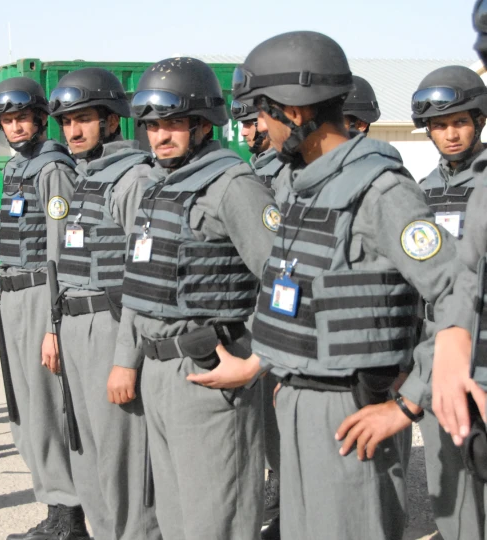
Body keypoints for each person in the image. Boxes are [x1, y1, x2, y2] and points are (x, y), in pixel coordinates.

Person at [198, 31, 462, 540]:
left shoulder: (380, 192)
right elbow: (292, 293)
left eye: (263, 115)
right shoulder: (308, 187)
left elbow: (460, 294)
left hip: (351, 407)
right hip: (299, 401)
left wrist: (409, 403)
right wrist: (270, 364)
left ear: (296, 113)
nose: (258, 129)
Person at [114, 57, 277, 539]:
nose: (160, 137)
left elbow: (289, 283)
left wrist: (258, 362)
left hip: (213, 370)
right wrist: (127, 358)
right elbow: (139, 283)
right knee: (178, 520)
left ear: (204, 125)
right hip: (159, 371)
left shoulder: (233, 186)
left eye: (174, 125)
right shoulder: (157, 187)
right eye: (153, 126)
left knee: (216, 521)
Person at [45, 67, 161, 540]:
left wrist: (126, 360)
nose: (72, 130)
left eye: (84, 119)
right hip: (75, 326)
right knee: (86, 452)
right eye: (67, 121)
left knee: (123, 461)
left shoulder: (131, 178)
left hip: (110, 327)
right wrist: (55, 328)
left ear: (112, 121)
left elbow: (145, 275)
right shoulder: (86, 176)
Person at [0, 77, 87, 540]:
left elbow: (58, 249)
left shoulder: (52, 168)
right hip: (12, 295)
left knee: (47, 407)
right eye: (7, 121)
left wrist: (54, 322)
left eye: (21, 118)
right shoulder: (17, 168)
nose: (14, 127)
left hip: (38, 293)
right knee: (25, 407)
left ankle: (68, 514)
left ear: (40, 119)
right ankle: (54, 503)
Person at [408, 65, 487, 540]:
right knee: (449, 486)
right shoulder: (420, 192)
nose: (450, 133)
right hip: (437, 355)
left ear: (479, 120)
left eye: (459, 121)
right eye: (439, 125)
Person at [231, 96, 283, 539]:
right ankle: (279, 487)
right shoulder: (254, 171)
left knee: (280, 415)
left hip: (276, 307)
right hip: (253, 310)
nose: (246, 132)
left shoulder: (284, 172)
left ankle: (287, 503)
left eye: (252, 123)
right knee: (268, 416)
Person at [232, 98, 284, 192]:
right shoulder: (254, 166)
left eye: (248, 124)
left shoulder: (284, 172)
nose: (243, 132)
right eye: (243, 125)